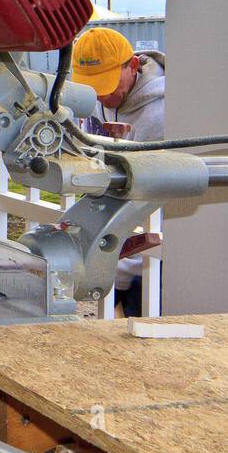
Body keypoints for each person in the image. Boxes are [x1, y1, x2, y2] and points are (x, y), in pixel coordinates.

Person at [71, 27, 166, 315]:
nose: (101, 95)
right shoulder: (100, 101)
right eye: (93, 86)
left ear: (133, 65)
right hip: (116, 233)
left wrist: (120, 269)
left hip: (150, 253)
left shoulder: (161, 115)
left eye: (107, 83)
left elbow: (159, 204)